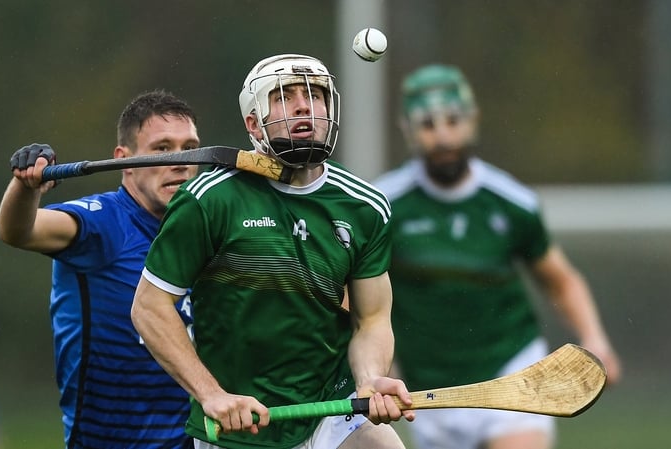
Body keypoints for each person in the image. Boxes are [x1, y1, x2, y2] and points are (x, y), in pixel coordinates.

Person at [131, 54, 415, 449]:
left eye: (315, 95)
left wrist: (368, 380)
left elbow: (371, 319)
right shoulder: (209, 201)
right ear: (253, 123)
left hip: (330, 409)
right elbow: (149, 307)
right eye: (285, 97)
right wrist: (211, 394)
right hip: (237, 423)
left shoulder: (364, 206)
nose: (304, 105)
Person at [373, 64, 623, 449]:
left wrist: (596, 340)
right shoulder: (381, 206)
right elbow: (353, 294)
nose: (442, 137)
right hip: (432, 391)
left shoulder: (511, 202)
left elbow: (561, 280)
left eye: (453, 121)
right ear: (407, 130)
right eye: (427, 125)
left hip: (512, 371)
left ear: (472, 122)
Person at [0, 89, 200, 449]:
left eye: (189, 147)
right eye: (162, 148)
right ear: (123, 160)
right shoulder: (101, 224)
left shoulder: (204, 229)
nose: (180, 161)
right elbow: (17, 231)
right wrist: (25, 187)